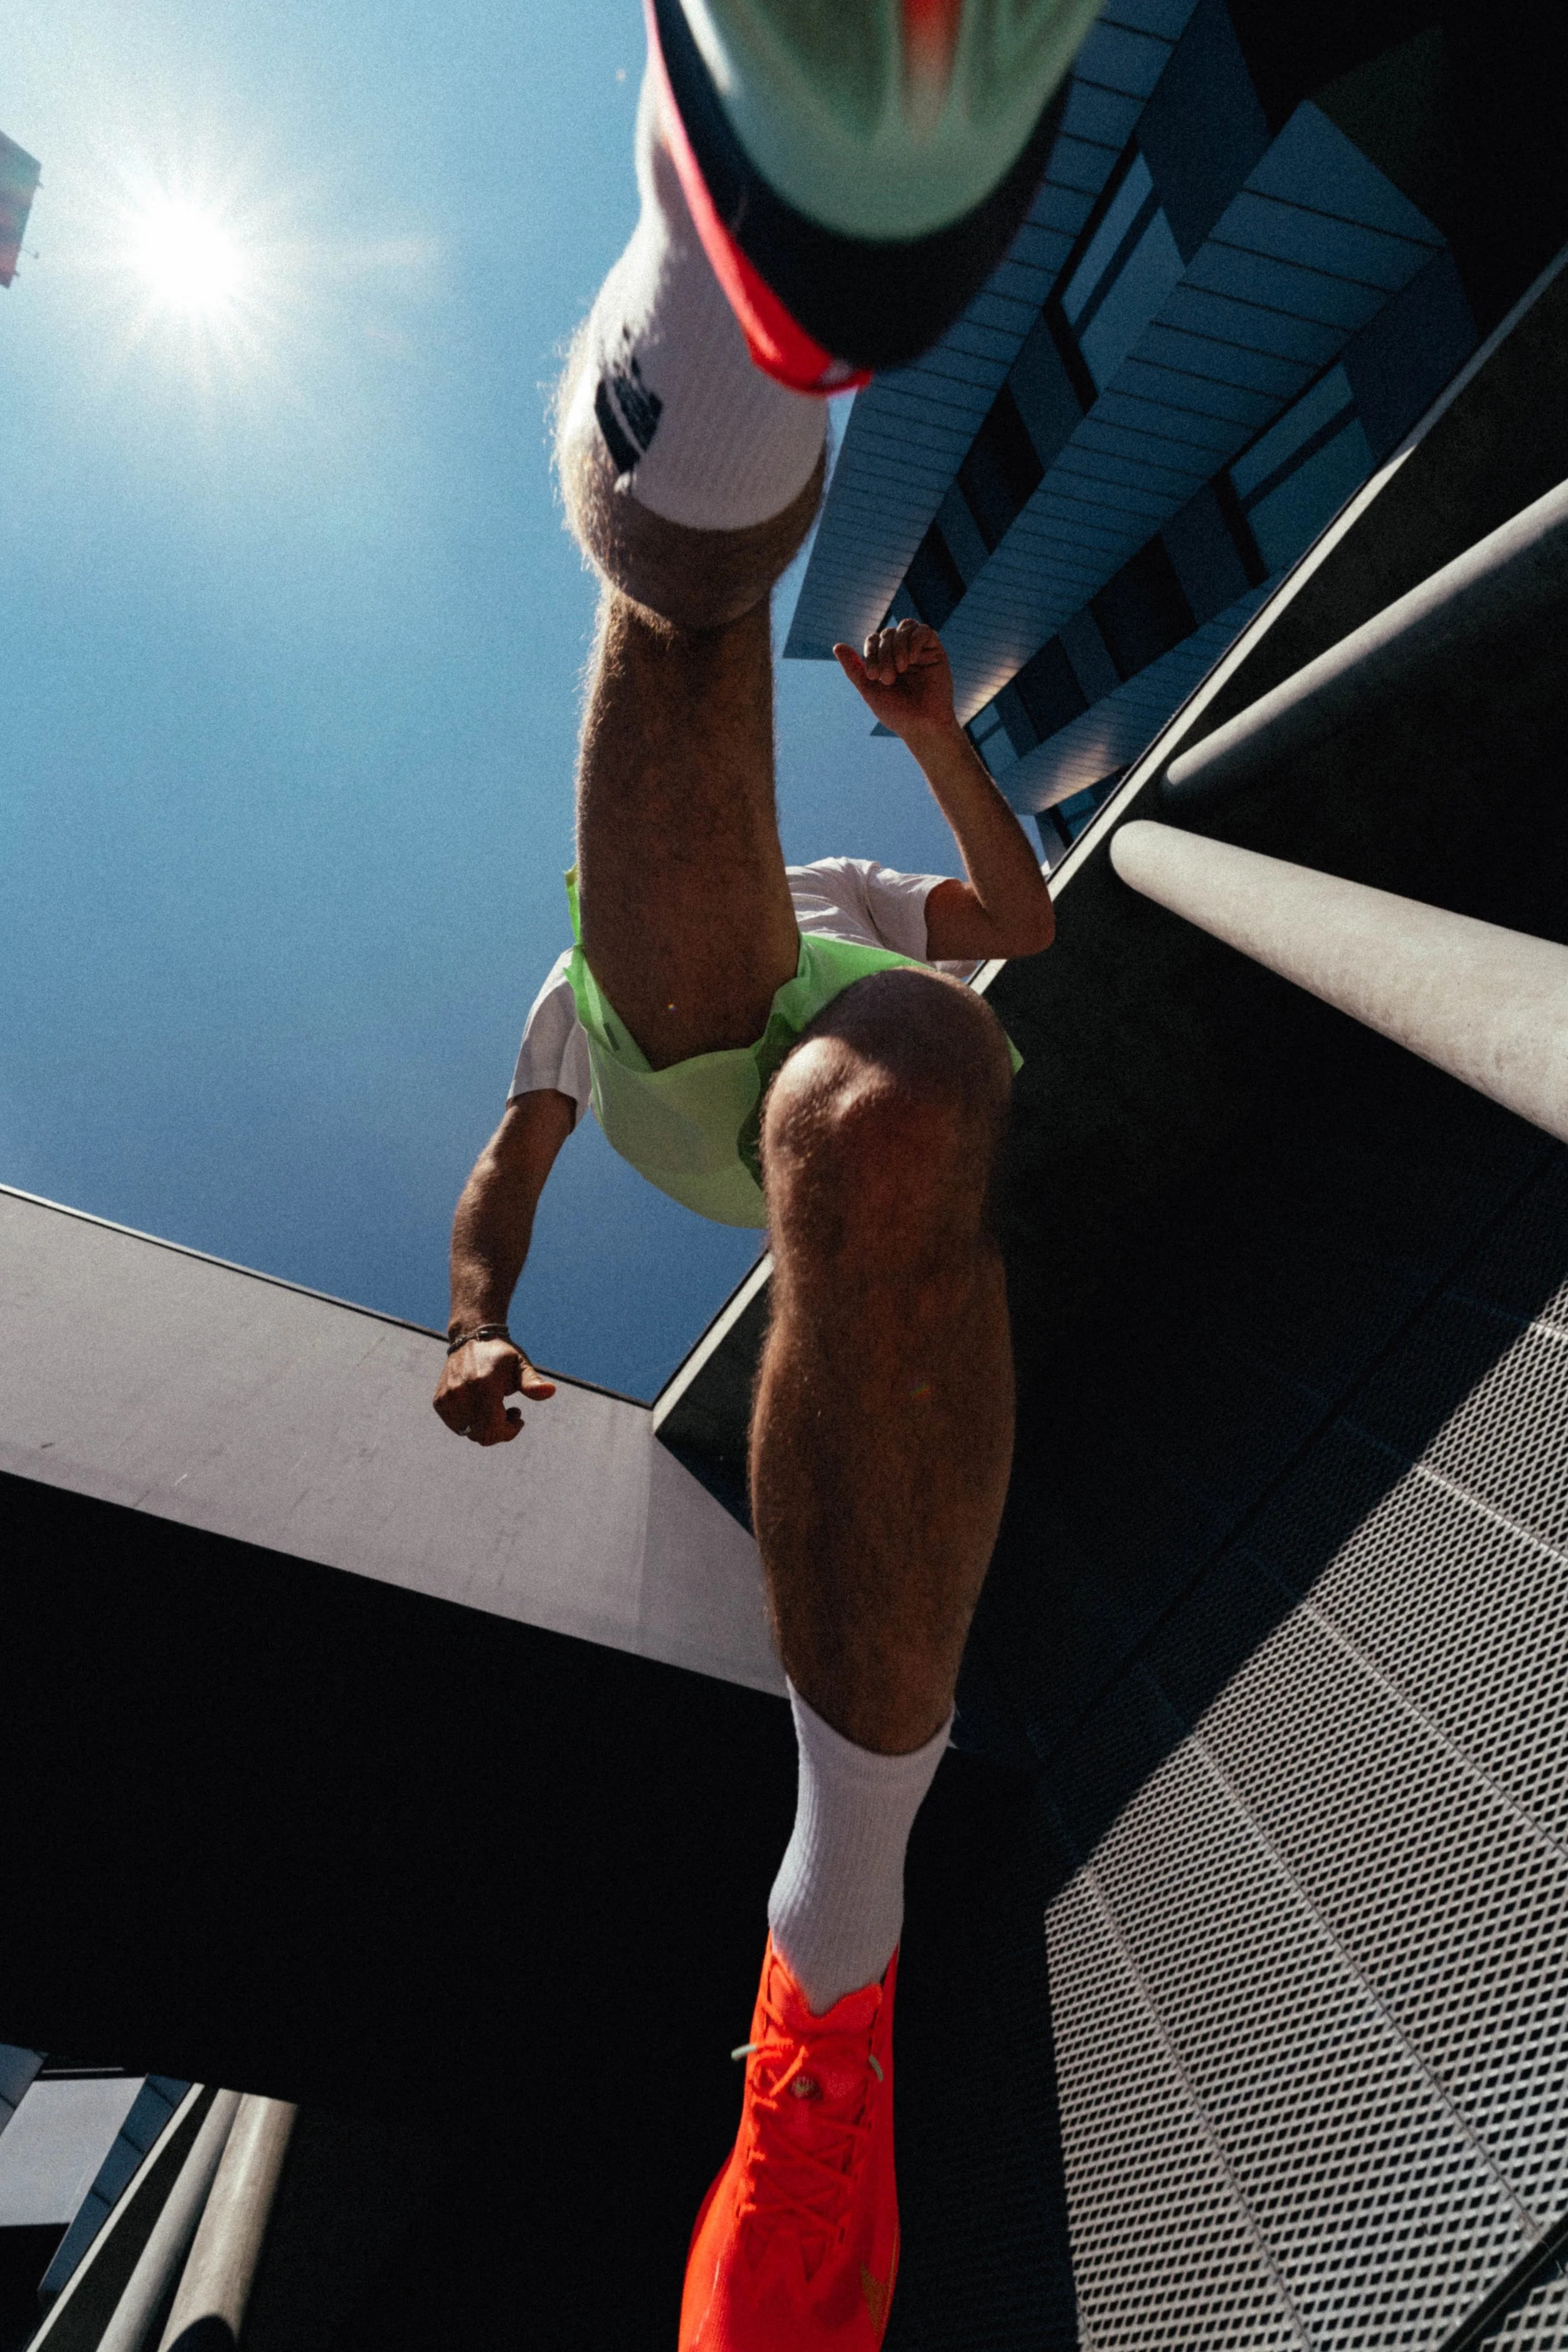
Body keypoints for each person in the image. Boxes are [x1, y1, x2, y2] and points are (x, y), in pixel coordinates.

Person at [434, 4, 1086, 2341]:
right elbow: (508, 1163)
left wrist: (929, 744)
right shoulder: (595, 969)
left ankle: (764, 268)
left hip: (814, 1063)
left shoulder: (830, 883)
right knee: (697, 724)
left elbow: (1018, 924)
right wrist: (478, 1312)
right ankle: (834, 1957)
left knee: (899, 1076)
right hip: (681, 1068)